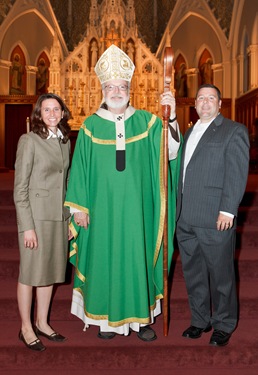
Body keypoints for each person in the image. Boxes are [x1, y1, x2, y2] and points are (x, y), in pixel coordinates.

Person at [65, 44, 181, 341]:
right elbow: (79, 168)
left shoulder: (148, 122)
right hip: (101, 211)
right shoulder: (90, 126)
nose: (116, 91)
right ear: (102, 89)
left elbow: (169, 153)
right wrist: (78, 208)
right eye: (111, 86)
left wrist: (173, 118)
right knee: (105, 258)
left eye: (121, 86)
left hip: (137, 211)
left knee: (137, 257)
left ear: (130, 87)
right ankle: (106, 323)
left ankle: (141, 321)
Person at [176, 84, 250, 346]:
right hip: (185, 217)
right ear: (194, 104)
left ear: (220, 104)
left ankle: (224, 323)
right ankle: (200, 320)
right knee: (194, 273)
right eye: (201, 99)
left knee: (221, 276)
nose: (205, 103)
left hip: (214, 217)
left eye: (211, 99)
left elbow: (236, 173)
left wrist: (228, 209)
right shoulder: (189, 131)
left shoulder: (233, 131)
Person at [13, 93, 71, 351]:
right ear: (39, 113)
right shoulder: (29, 140)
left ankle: (43, 322)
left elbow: (66, 182)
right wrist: (27, 226)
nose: (52, 114)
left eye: (56, 109)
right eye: (46, 109)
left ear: (62, 113)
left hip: (57, 217)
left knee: (49, 272)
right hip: (35, 218)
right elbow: (20, 188)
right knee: (29, 273)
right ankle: (26, 327)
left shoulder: (65, 141)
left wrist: (68, 219)